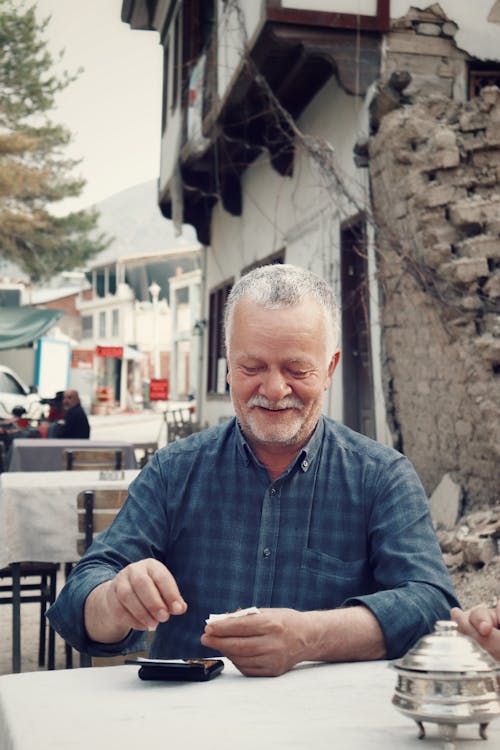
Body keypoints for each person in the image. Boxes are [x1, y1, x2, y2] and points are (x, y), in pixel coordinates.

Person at [47, 264, 458, 677]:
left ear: (330, 368)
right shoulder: (174, 471)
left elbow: (432, 606)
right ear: (227, 365)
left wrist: (309, 636)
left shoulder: (381, 477)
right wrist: (117, 599)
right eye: (252, 368)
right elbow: (78, 597)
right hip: (185, 723)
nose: (275, 390)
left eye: (297, 370)